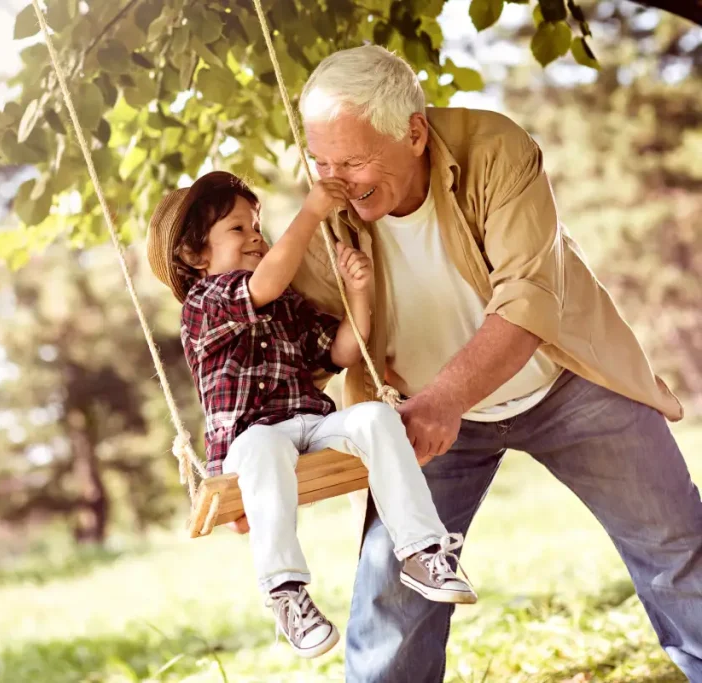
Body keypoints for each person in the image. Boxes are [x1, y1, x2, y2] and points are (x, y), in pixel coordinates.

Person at [288, 44, 702, 682]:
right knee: (394, 600)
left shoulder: (497, 150)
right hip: (420, 412)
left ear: (415, 132)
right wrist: (258, 465)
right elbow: (297, 347)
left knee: (677, 551)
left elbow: (529, 301)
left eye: (352, 159)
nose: (335, 178)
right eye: (320, 160)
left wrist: (441, 404)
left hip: (567, 385)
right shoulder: (327, 209)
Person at [146, 170, 477, 660]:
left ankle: (423, 552)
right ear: (196, 256)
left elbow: (343, 352)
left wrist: (357, 291)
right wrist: (312, 210)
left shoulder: (283, 303)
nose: (255, 235)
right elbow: (264, 282)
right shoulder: (205, 303)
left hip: (311, 424)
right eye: (238, 229)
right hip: (250, 438)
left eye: (257, 224)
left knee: (374, 419)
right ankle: (285, 591)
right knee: (262, 446)